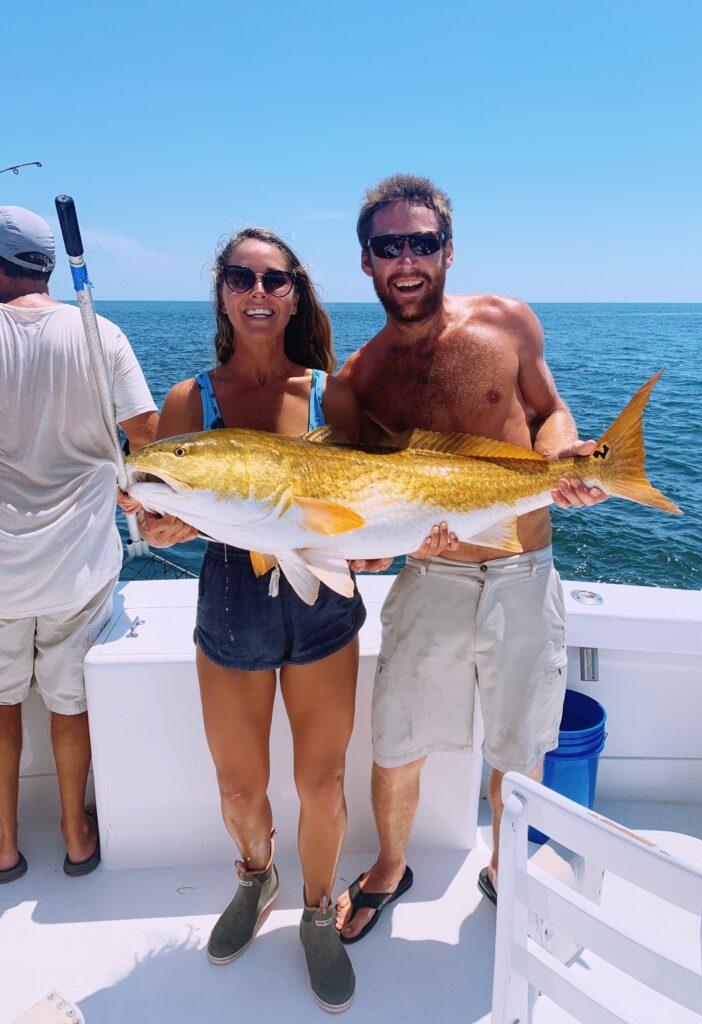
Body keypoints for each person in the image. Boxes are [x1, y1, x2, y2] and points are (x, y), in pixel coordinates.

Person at [335, 175, 607, 942]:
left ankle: (503, 868)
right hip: (434, 574)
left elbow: (550, 412)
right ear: (366, 261)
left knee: (520, 746)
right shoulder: (355, 381)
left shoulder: (507, 321)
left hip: (525, 569)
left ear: (448, 251)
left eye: (422, 242)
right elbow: (362, 506)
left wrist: (564, 459)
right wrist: (367, 555)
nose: (407, 259)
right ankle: (390, 868)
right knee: (397, 741)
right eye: (389, 245)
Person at [127, 228, 363, 1013]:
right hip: (231, 593)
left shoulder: (333, 394)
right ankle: (257, 878)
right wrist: (158, 525)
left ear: (295, 294)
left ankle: (319, 912)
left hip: (321, 594)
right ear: (222, 292)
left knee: (322, 783)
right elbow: (158, 503)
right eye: (240, 277)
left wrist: (393, 541)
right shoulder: (189, 400)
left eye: (274, 279)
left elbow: (366, 502)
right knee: (239, 787)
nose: (257, 292)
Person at [0, 205, 158, 883]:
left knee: (2, 703)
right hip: (78, 567)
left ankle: (4, 845)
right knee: (70, 703)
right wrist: (128, 482)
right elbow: (147, 435)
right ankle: (75, 834)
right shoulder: (101, 334)